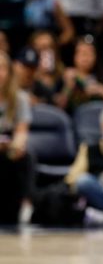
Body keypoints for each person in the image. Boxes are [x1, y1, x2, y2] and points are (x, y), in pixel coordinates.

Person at [0, 51, 35, 224]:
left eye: (2, 69)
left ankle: (26, 204)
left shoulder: (20, 98)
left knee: (26, 157)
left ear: (9, 72)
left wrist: (16, 145)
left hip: (9, 149)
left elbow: (22, 131)